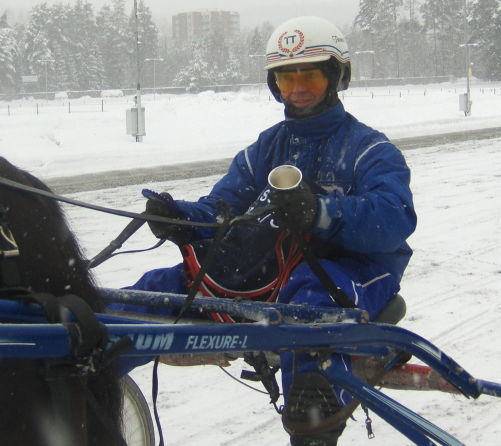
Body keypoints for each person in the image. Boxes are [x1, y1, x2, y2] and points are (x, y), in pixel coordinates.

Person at [112, 16, 417, 446]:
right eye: (286, 78)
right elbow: (223, 208)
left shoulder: (370, 149)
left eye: (309, 75)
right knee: (153, 290)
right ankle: (82, 375)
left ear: (335, 77)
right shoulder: (265, 148)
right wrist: (180, 218)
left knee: (308, 303)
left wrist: (322, 213)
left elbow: (395, 217)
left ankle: (314, 423)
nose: (298, 89)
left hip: (354, 271)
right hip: (272, 270)